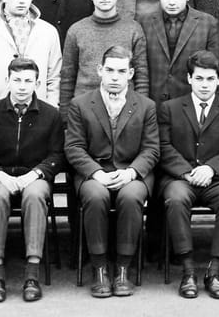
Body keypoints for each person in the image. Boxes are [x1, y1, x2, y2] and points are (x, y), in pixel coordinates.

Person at [65, 46, 160, 298]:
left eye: (121, 71)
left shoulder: (146, 106)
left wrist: (131, 173)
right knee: (96, 196)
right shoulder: (80, 104)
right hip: (95, 173)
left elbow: (151, 149)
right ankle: (99, 268)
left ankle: (122, 268)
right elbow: (74, 147)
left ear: (130, 73)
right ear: (100, 71)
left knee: (131, 197)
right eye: (109, 70)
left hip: (131, 173)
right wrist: (96, 173)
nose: (115, 77)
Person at [0, 58, 65, 303]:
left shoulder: (51, 115)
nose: (22, 86)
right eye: (17, 80)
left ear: (37, 83)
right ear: (7, 81)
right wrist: (0, 175)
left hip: (35, 176)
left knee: (34, 196)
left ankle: (32, 274)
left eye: (28, 81)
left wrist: (33, 175)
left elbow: (57, 155)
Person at [158, 51, 219, 299]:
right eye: (199, 78)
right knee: (175, 199)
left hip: (217, 179)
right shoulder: (170, 108)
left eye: (210, 79)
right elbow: (163, 146)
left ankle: (214, 272)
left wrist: (211, 169)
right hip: (180, 178)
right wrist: (186, 172)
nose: (204, 84)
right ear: (189, 78)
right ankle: (188, 272)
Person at [60, 0, 148, 120]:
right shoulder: (76, 30)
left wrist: (139, 113)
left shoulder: (133, 29)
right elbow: (67, 77)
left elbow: (141, 77)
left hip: (123, 110)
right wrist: (66, 118)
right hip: (85, 111)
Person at [138, 0, 219, 106]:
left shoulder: (208, 24)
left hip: (191, 108)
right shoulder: (144, 22)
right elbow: (139, 71)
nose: (171, 2)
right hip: (154, 106)